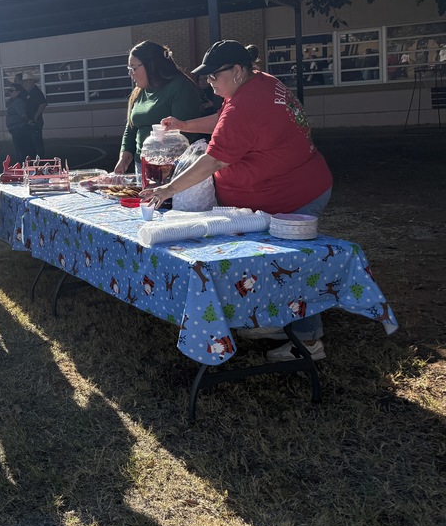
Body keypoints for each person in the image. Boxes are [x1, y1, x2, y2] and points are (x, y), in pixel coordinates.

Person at [140, 40, 334, 363]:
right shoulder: (259, 84)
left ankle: (309, 340)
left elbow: (211, 162)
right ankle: (278, 323)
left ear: (238, 70)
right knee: (281, 264)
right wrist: (186, 126)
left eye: (214, 77)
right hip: (302, 185)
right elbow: (222, 118)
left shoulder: (246, 105)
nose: (210, 84)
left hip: (295, 196)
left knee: (293, 264)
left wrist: (166, 191)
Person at [113, 41, 203, 175]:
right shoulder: (139, 92)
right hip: (141, 165)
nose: (131, 74)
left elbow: (186, 134)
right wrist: (124, 159)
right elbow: (131, 128)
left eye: (134, 68)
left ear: (151, 64)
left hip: (171, 169)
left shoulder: (180, 86)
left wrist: (160, 163)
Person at [5, 83, 35, 160]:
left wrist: (28, 122)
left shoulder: (18, 102)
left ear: (18, 92)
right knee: (20, 149)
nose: (10, 92)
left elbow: (23, 115)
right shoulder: (13, 101)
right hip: (16, 129)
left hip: (19, 129)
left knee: (22, 149)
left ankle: (24, 165)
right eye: (9, 90)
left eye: (12, 91)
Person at [22, 75, 48, 157]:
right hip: (31, 119)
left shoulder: (36, 92)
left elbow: (43, 104)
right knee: (32, 141)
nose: (25, 84)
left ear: (32, 82)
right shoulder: (29, 92)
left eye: (27, 82)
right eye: (24, 82)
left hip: (35, 120)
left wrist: (36, 117)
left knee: (36, 141)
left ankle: (40, 160)